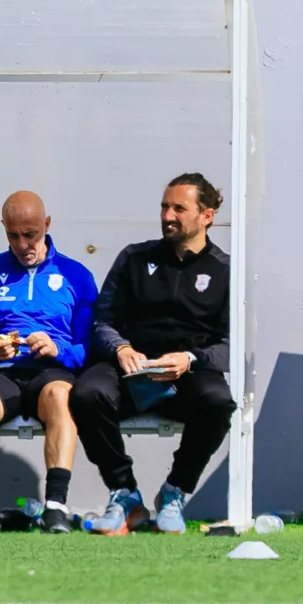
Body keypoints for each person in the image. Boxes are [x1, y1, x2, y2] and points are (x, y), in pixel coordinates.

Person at [69, 173, 236, 536]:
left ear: (207, 215)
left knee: (219, 402)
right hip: (130, 370)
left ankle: (175, 491)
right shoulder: (134, 257)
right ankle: (124, 492)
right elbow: (102, 322)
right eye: (164, 206)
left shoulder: (225, 270)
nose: (167, 216)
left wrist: (190, 359)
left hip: (187, 374)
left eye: (179, 208)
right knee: (85, 393)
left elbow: (228, 345)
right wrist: (121, 347)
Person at [0, 191, 98, 533]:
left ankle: (55, 506)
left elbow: (90, 348)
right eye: (13, 235)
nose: (23, 244)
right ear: (4, 228)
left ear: (47, 224)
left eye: (31, 234)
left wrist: (57, 350)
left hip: (52, 373)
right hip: (1, 375)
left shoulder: (76, 275)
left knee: (62, 395)